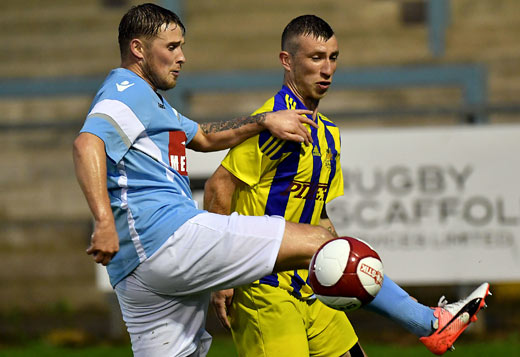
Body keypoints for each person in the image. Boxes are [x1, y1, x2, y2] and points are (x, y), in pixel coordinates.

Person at [204, 15, 490, 357]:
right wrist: (221, 277)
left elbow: (318, 215)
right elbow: (217, 189)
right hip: (265, 291)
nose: (327, 69)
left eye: (333, 57)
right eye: (315, 58)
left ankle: (427, 321)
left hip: (312, 286)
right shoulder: (273, 123)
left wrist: (351, 271)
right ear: (287, 61)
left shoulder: (327, 132)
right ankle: (427, 321)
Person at [72, 4, 344, 356]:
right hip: (165, 238)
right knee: (318, 242)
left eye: (181, 46)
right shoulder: (127, 90)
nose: (182, 57)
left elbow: (203, 137)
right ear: (138, 49)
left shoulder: (154, 104)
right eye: (171, 47)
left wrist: (264, 120)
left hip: (135, 269)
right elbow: (86, 143)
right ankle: (425, 320)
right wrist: (104, 221)